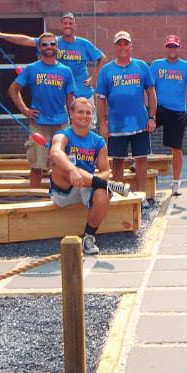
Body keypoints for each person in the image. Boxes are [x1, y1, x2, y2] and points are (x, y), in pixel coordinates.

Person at [0, 11, 106, 123]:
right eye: (65, 23)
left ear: (75, 25)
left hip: (83, 93)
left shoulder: (83, 44)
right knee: (65, 133)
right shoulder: (52, 42)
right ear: (61, 25)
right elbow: (26, 40)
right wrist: (0, 35)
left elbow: (102, 58)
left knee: (85, 129)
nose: (67, 26)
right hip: (62, 97)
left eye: (70, 23)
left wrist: (94, 78)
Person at [48, 97, 131, 255]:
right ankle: (108, 185)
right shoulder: (62, 135)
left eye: (88, 113)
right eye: (80, 112)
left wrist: (93, 181)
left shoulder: (98, 141)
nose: (85, 116)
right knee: (59, 163)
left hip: (86, 187)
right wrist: (72, 171)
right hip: (64, 189)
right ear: (71, 114)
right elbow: (55, 152)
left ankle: (89, 237)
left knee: (103, 192)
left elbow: (106, 171)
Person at [8, 31, 77, 188]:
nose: (49, 47)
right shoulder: (32, 69)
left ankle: (61, 194)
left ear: (57, 46)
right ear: (39, 47)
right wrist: (25, 110)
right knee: (37, 164)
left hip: (61, 124)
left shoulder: (66, 71)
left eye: (52, 43)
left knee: (62, 163)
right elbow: (13, 89)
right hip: (39, 123)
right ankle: (34, 197)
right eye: (44, 44)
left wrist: (73, 121)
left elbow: (70, 98)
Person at [96, 31, 157, 198]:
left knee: (141, 159)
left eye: (126, 44)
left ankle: (141, 195)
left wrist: (152, 117)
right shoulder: (106, 70)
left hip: (140, 123)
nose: (123, 47)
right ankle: (118, 196)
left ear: (131, 46)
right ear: (115, 47)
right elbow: (100, 98)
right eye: (119, 44)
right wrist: (102, 123)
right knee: (117, 161)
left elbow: (151, 93)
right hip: (116, 126)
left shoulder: (142, 66)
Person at [148, 35, 187, 196]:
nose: (172, 49)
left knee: (176, 147)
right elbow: (148, 88)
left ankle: (176, 183)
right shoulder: (156, 65)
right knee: (141, 131)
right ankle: (139, 161)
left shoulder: (186, 66)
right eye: (169, 46)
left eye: (174, 46)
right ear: (166, 47)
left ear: (178, 48)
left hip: (177, 111)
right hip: (158, 108)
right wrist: (150, 112)